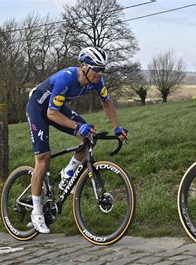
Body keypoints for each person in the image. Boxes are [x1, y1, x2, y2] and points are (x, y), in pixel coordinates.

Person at [26, 47, 129, 233]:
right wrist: (76, 126)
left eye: (103, 68)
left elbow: (107, 102)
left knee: (90, 135)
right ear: (84, 67)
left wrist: (116, 127)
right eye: (96, 68)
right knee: (43, 159)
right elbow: (51, 113)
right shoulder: (66, 79)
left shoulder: (96, 81)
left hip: (56, 108)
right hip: (38, 108)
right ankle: (37, 210)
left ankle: (68, 174)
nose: (100, 73)